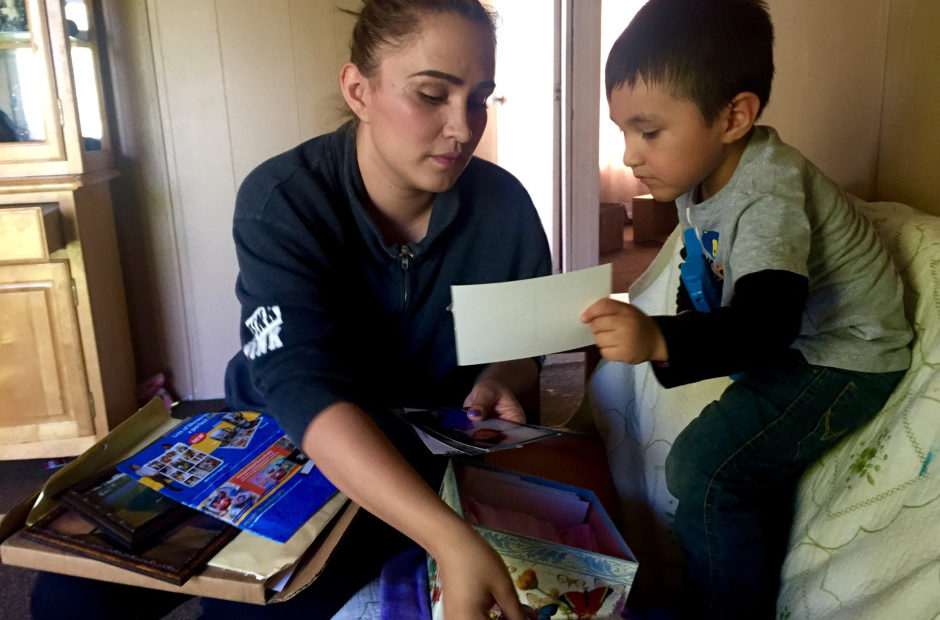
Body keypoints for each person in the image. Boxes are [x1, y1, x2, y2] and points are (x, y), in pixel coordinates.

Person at [218, 0, 550, 618]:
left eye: (479, 98)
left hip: (420, 455)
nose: (463, 127)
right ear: (358, 90)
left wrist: (504, 376)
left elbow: (522, 349)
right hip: (286, 442)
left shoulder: (506, 210)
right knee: (69, 593)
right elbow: (303, 387)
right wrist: (450, 540)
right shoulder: (283, 200)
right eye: (431, 94)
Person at [580, 1, 912, 617]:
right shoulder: (697, 182)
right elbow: (697, 276)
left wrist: (658, 340)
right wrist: (673, 333)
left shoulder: (767, 188)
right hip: (798, 345)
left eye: (648, 132)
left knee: (705, 467)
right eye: (623, 131)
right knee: (733, 455)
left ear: (734, 116)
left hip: (849, 354)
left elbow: (768, 320)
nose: (630, 155)